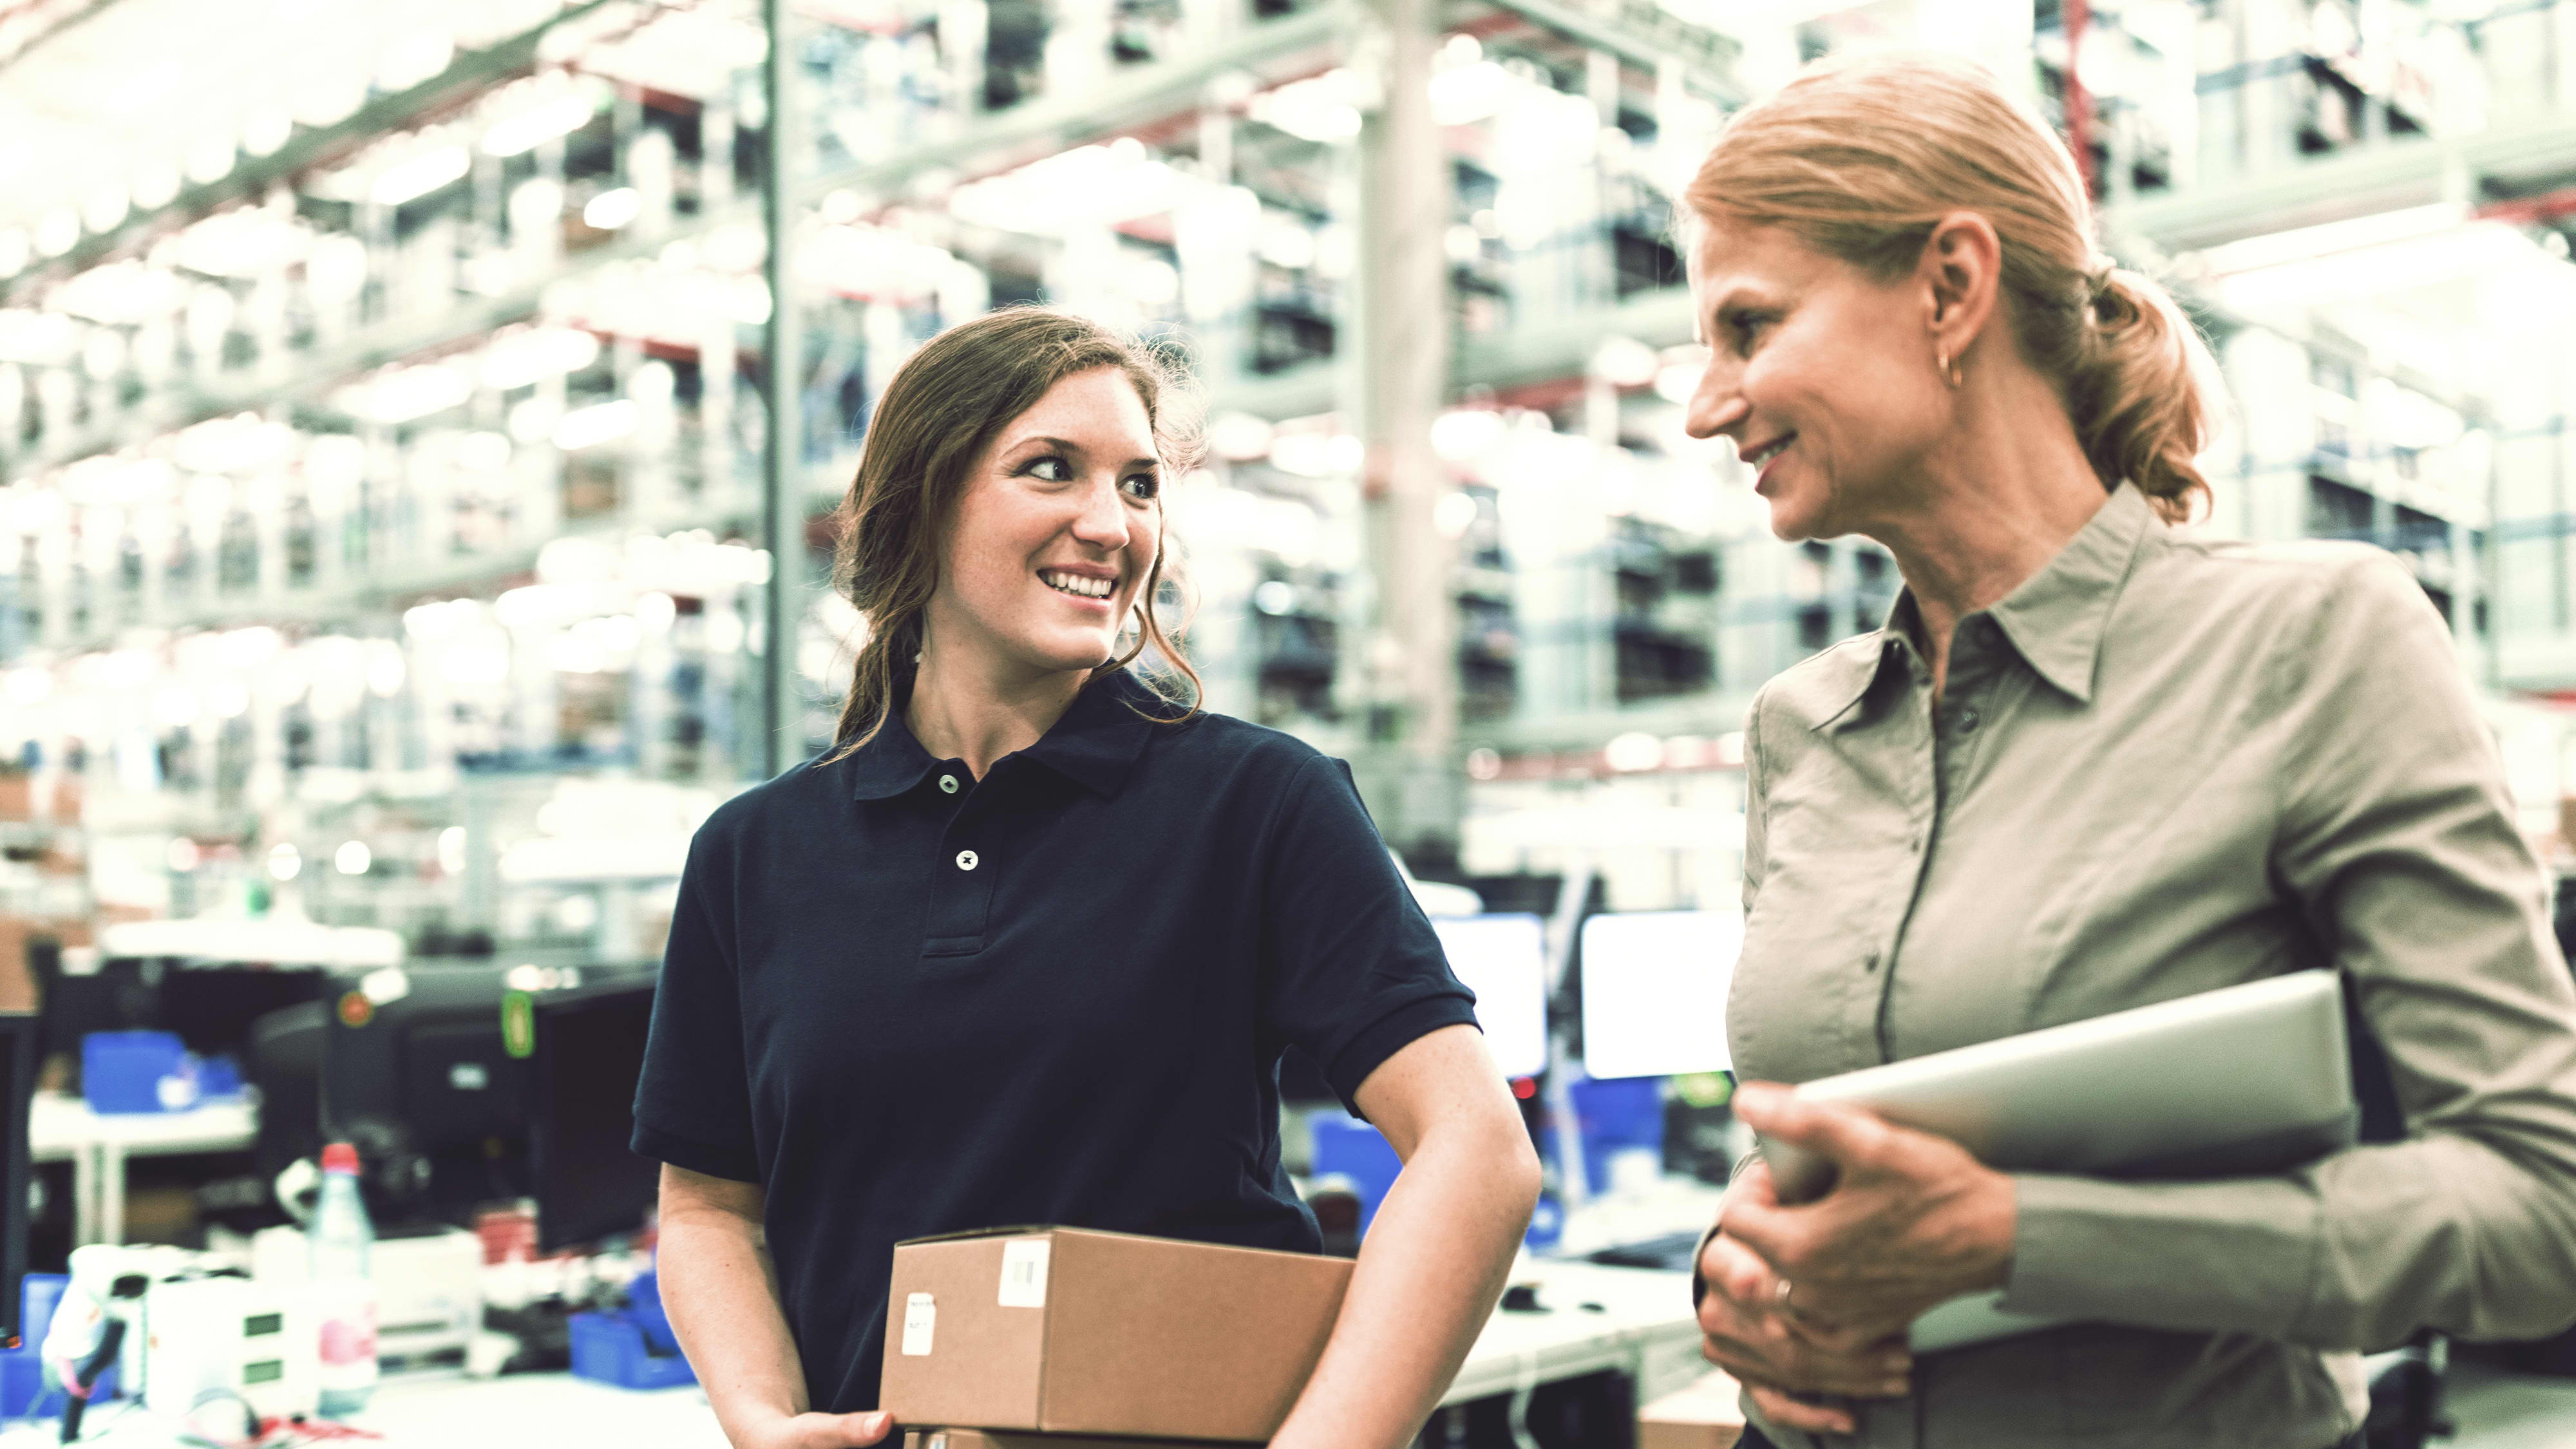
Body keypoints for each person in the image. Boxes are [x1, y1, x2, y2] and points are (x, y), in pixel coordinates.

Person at [1676, 52, 2576, 1449]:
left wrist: (2019, 1237)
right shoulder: (1800, 729)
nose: (1705, 403)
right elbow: (1805, 1160)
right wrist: (1738, 1274)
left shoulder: (2311, 647)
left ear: (1947, 287)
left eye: (1748, 328)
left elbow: (2537, 1208)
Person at [631, 307, 1540, 1449]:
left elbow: (1477, 1149)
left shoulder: (1258, 803)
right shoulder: (755, 854)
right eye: (1050, 470)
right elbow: (711, 1207)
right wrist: (763, 1419)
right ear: (921, 502)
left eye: (1142, 485)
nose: (1109, 524)